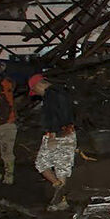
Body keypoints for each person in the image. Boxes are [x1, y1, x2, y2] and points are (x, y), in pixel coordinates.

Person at [28, 74, 76, 211]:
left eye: (35, 90)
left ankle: (60, 197)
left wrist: (53, 135)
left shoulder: (50, 95)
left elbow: (54, 115)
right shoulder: (62, 92)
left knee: (43, 163)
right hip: (68, 132)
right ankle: (60, 194)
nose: (36, 93)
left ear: (38, 85)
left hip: (57, 134)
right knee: (62, 167)